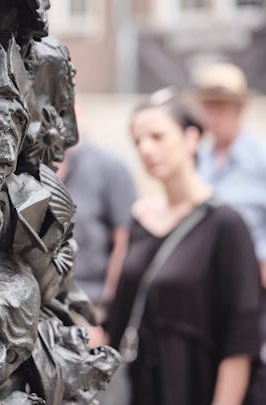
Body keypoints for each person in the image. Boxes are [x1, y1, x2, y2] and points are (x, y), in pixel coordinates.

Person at [106, 88, 260, 405]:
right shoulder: (142, 221)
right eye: (138, 141)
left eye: (158, 136)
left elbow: (240, 341)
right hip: (139, 389)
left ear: (192, 138)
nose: (146, 149)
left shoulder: (226, 225)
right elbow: (117, 317)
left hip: (193, 387)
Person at [193, 63, 266, 404]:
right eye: (207, 106)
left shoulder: (260, 160)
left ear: (237, 110)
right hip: (206, 286)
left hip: (254, 287)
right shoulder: (199, 159)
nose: (212, 115)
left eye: (219, 107)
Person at [64, 141, 136, 307]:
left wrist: (104, 308)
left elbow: (125, 241)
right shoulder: (31, 167)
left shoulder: (109, 166)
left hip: (92, 300)